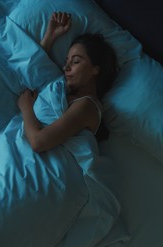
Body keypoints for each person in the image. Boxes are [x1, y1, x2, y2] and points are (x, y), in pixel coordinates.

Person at [18, 12, 118, 152]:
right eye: (66, 61)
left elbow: (38, 142)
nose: (66, 67)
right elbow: (35, 73)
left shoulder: (87, 105)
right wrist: (51, 35)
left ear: (96, 69)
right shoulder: (63, 90)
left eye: (76, 61)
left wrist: (26, 109)